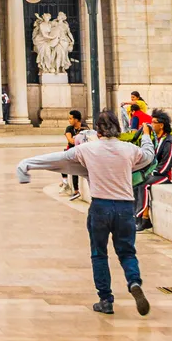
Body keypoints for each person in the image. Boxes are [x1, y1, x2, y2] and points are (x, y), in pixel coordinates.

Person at [15, 109, 153, 317]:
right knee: (127, 252)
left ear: (98, 131)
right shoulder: (129, 150)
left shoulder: (88, 149)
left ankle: (106, 300)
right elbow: (148, 156)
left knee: (99, 253)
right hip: (125, 207)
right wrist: (146, 137)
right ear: (118, 129)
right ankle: (134, 281)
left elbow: (57, 158)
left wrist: (27, 164)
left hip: (100, 207)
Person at [136, 112, 172, 231]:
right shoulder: (157, 140)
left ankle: (142, 218)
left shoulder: (169, 142)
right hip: (157, 173)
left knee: (143, 184)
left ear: (161, 125)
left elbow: (166, 165)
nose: (150, 125)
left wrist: (151, 173)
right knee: (136, 181)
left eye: (153, 122)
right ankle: (139, 216)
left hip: (168, 175)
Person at [63, 110, 86, 201]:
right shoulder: (69, 128)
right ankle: (75, 190)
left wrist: (75, 138)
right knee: (67, 161)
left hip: (82, 151)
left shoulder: (85, 128)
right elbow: (71, 141)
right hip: (72, 151)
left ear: (76, 119)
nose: (69, 120)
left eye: (70, 118)